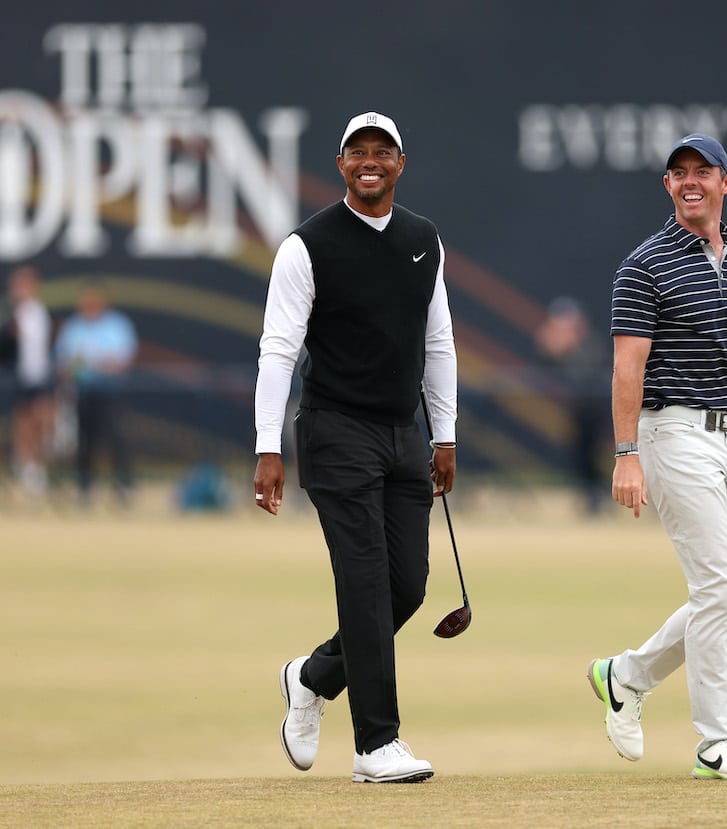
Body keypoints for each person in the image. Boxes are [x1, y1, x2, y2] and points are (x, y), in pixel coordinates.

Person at [592, 133, 727, 781]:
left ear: (726, 182)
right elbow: (626, 366)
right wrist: (626, 453)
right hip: (672, 434)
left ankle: (625, 675)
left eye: (702, 172)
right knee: (716, 585)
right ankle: (717, 742)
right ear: (668, 186)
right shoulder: (645, 264)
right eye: (678, 173)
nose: (690, 181)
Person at [253, 111, 458, 784]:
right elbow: (278, 350)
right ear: (340, 164)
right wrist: (268, 445)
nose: (370, 161)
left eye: (383, 152)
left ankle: (311, 676)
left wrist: (445, 433)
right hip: (335, 428)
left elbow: (437, 343)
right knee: (364, 581)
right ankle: (377, 744)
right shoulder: (305, 246)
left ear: (401, 163)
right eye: (357, 152)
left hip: (404, 433)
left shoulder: (424, 240)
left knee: (407, 586)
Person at [53, 282, 138, 505]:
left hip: (111, 393)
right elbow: (64, 364)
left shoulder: (117, 325)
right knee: (84, 442)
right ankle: (84, 488)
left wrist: (91, 365)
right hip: (83, 392)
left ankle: (124, 487)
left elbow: (121, 362)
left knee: (116, 439)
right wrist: (82, 367)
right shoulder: (73, 327)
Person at [534, 296, 610, 514]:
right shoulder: (559, 349)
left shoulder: (590, 344)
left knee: (598, 454)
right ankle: (590, 497)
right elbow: (547, 365)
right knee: (580, 455)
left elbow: (591, 372)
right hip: (577, 412)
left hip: (598, 410)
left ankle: (599, 495)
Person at [5, 266, 55, 495]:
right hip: (22, 378)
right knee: (23, 423)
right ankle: (27, 468)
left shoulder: (40, 313)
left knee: (44, 421)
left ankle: (36, 466)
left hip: (41, 376)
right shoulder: (12, 316)